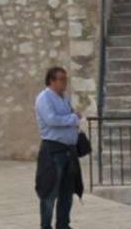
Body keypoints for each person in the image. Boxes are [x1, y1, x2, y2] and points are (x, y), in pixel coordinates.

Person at [35, 67, 83, 229]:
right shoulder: (44, 98)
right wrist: (72, 118)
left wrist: (73, 119)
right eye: (61, 79)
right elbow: (51, 120)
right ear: (51, 81)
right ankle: (46, 226)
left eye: (65, 78)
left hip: (68, 151)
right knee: (50, 192)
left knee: (66, 192)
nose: (65, 82)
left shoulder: (64, 98)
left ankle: (63, 224)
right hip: (53, 151)